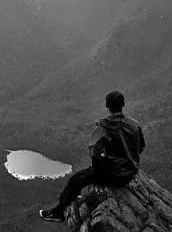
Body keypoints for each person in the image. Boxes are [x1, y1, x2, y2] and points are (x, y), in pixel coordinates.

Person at [38, 90, 145, 222]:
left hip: (114, 175)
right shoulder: (134, 124)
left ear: (107, 106)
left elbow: (93, 151)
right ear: (123, 104)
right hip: (130, 173)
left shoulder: (104, 127)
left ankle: (57, 213)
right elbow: (141, 147)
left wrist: (103, 163)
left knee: (75, 180)